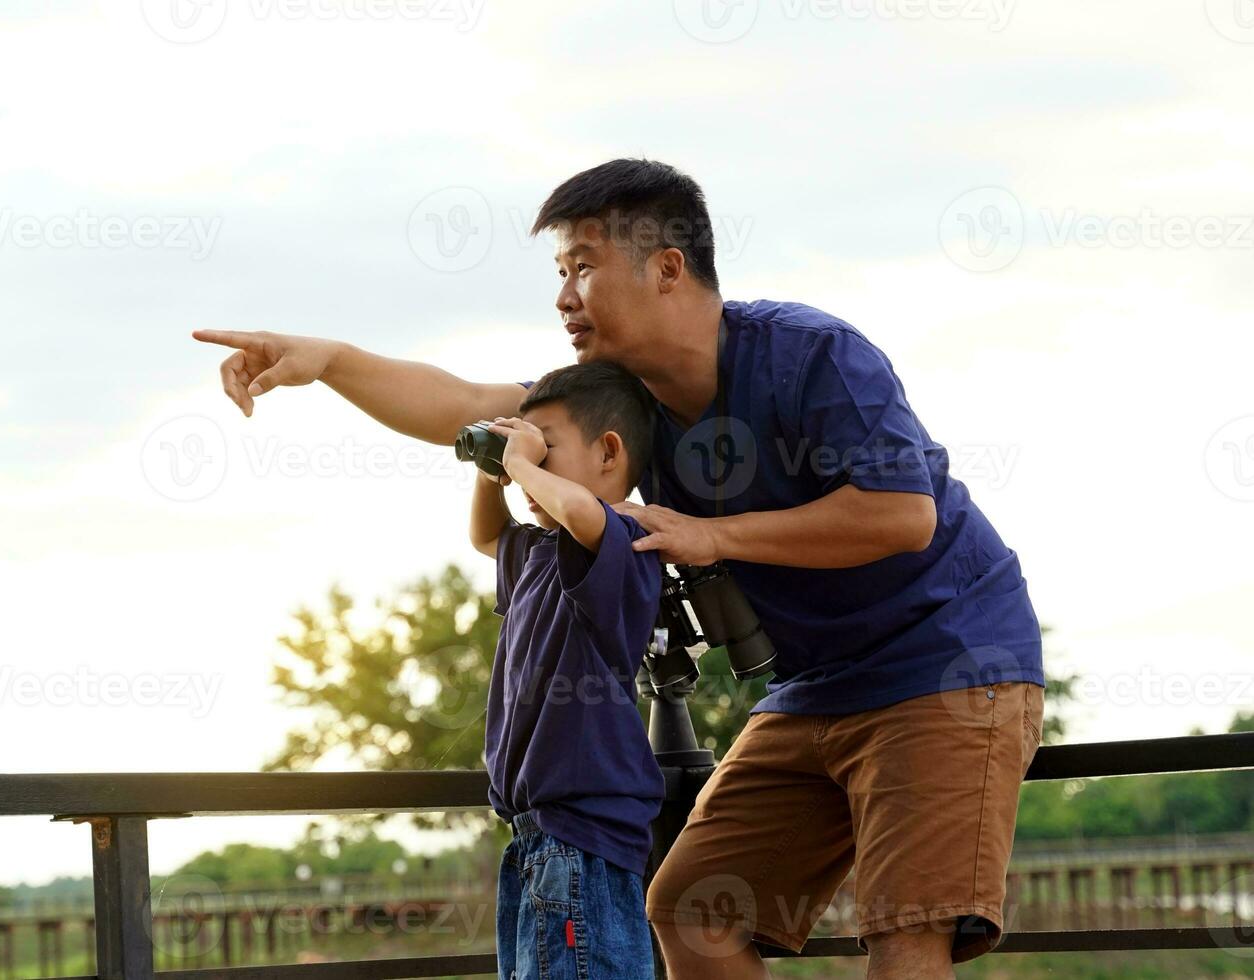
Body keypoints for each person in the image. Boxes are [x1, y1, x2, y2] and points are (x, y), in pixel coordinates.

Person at [192, 157, 1044, 980]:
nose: (564, 298)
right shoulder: (622, 402)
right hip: (817, 686)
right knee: (689, 909)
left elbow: (901, 514)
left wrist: (715, 537)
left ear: (666, 267)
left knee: (904, 936)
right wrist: (328, 361)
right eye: (560, 274)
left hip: (947, 664)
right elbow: (463, 405)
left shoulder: (815, 356)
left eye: (582, 268)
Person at [470, 360, 664, 980]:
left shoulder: (625, 543)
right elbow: (486, 536)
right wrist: (495, 470)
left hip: (584, 835)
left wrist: (521, 465)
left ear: (609, 453)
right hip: (535, 835)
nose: (531, 469)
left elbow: (584, 514)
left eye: (548, 448)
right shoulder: (538, 551)